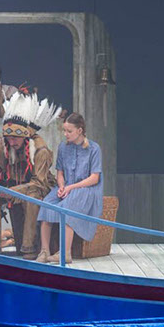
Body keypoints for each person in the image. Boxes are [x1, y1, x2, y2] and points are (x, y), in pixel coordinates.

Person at [0, 93, 61, 260]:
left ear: (25, 136)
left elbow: (39, 183)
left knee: (31, 198)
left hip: (37, 189)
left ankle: (30, 248)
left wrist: (14, 191)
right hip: (11, 186)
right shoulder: (5, 144)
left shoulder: (40, 150)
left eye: (15, 138)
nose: (12, 142)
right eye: (9, 138)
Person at [36, 113, 103, 264]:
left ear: (80, 130)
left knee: (68, 208)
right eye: (64, 130)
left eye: (69, 131)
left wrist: (71, 187)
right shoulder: (63, 147)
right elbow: (59, 172)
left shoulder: (94, 148)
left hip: (86, 188)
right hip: (66, 187)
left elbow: (95, 178)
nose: (65, 134)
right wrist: (61, 186)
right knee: (46, 204)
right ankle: (44, 251)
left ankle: (65, 253)